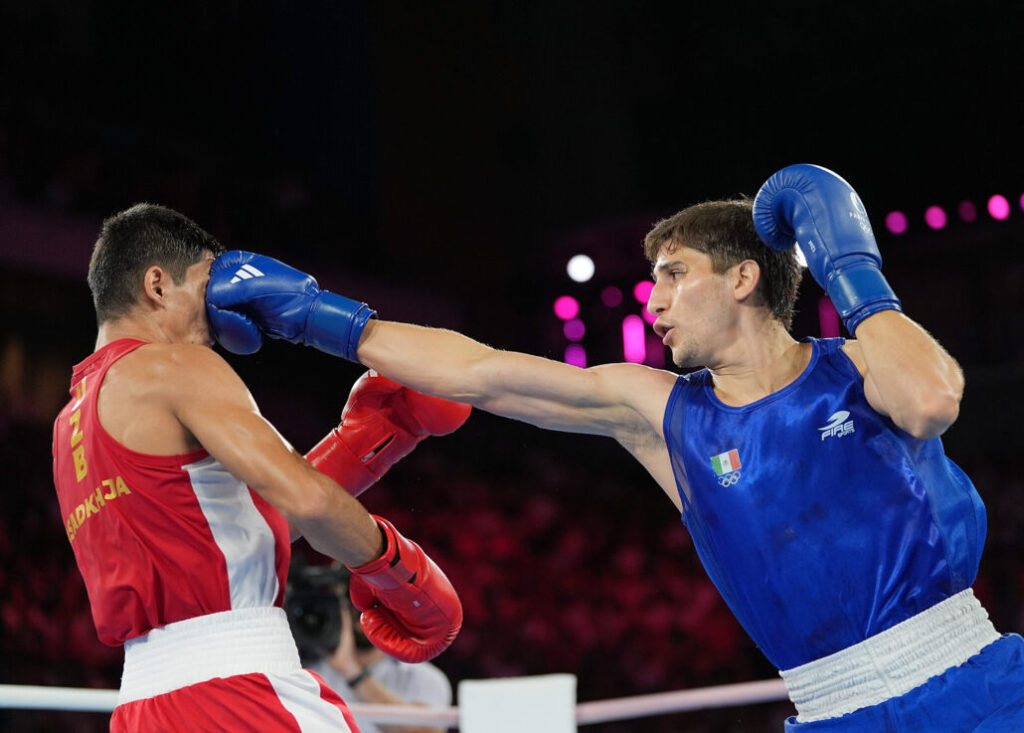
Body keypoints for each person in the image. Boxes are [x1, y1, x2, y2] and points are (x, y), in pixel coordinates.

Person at [205, 164, 1024, 731]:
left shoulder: (859, 366)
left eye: (674, 275)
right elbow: (484, 372)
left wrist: (851, 267)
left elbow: (931, 397)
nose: (654, 299)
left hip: (969, 683)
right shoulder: (660, 409)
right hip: (830, 707)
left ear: (743, 277)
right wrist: (316, 316)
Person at [51, 203, 469, 732]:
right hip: (240, 692)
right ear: (157, 285)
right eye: (207, 287)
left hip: (142, 710)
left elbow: (237, 525)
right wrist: (400, 574)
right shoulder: (176, 365)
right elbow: (309, 500)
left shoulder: (70, 424)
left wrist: (375, 438)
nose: (222, 313)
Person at [287, 563, 452, 733]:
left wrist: (353, 673)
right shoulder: (304, 675)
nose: (363, 617)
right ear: (338, 608)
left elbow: (425, 732)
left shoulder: (422, 678)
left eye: (373, 603)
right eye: (351, 603)